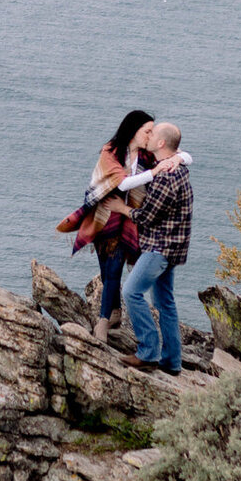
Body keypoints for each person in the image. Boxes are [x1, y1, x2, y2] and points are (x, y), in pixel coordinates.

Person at [55, 108, 152, 338]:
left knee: (114, 268)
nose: (151, 136)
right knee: (107, 270)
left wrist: (175, 158)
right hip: (102, 219)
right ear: (133, 131)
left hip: (127, 220)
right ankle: (116, 312)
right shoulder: (111, 151)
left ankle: (102, 322)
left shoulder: (148, 157)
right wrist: (154, 173)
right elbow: (121, 182)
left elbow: (184, 156)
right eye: (147, 131)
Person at [120, 122, 191, 374]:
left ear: (161, 144)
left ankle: (148, 352)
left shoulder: (165, 178)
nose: (148, 137)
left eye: (153, 134)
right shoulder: (179, 168)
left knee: (131, 292)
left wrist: (123, 209)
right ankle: (172, 361)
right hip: (174, 249)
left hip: (159, 248)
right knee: (165, 302)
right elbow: (184, 156)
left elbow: (145, 217)